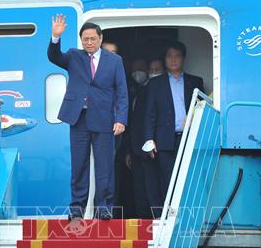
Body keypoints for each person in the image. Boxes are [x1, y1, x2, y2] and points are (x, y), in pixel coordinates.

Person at [47, 14, 128, 224]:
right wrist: (56, 37)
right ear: (81, 40)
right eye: (85, 39)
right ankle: (77, 209)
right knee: (79, 166)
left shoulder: (115, 60)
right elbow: (54, 57)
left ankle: (104, 208)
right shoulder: (74, 56)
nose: (89, 42)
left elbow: (122, 92)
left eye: (93, 38)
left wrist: (121, 119)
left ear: (100, 39)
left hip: (104, 119)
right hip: (79, 119)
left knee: (105, 166)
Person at [143, 42, 204, 216]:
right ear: (165, 59)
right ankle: (169, 216)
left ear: (183, 58)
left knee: (189, 178)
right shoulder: (155, 84)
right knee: (167, 180)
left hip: (189, 138)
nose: (173, 59)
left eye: (177, 55)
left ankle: (188, 215)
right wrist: (149, 139)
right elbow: (149, 114)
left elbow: (203, 108)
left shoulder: (196, 82)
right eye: (169, 56)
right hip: (165, 140)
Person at [125, 58, 165, 219]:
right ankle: (143, 218)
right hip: (138, 148)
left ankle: (157, 218)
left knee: (155, 186)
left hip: (156, 148)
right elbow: (133, 122)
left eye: (157, 70)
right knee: (141, 188)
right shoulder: (139, 91)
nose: (153, 73)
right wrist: (130, 150)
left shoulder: (156, 91)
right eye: (151, 70)